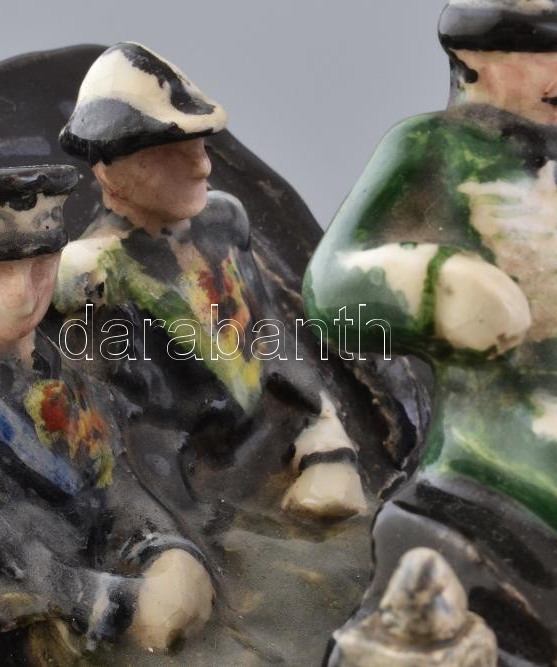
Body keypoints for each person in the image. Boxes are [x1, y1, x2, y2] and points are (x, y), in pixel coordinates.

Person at [305, 0, 557, 661]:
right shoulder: (426, 147)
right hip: (511, 416)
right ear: (475, 60)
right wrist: (434, 286)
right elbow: (331, 288)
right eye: (545, 60)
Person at [0, 165, 214, 660]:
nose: (22, 292)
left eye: (40, 264)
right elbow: (3, 556)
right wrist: (126, 606)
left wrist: (167, 552)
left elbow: (113, 483)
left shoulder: (61, 371)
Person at [54, 41, 366, 519]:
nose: (203, 165)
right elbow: (112, 424)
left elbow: (269, 337)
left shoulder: (225, 221)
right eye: (172, 151)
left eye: (200, 144)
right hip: (187, 484)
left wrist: (324, 423)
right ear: (108, 166)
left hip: (275, 440)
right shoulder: (94, 274)